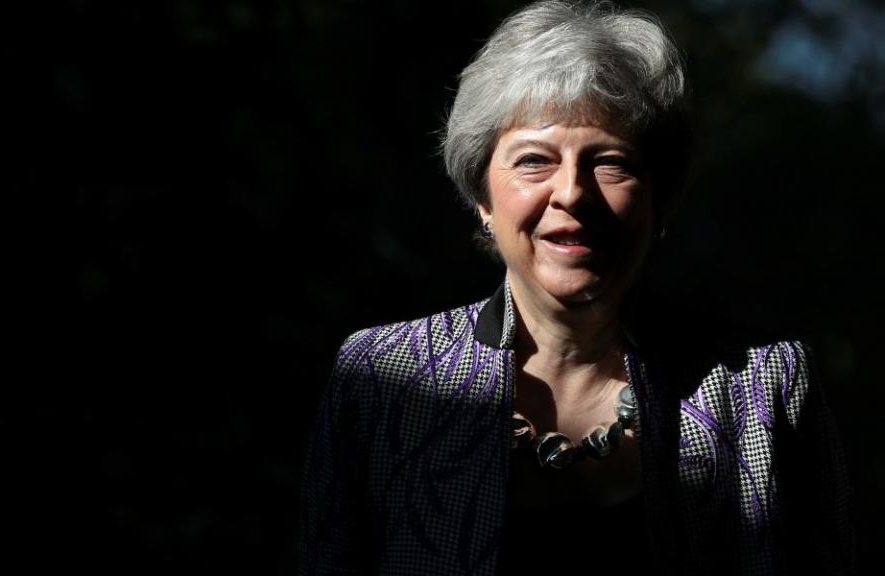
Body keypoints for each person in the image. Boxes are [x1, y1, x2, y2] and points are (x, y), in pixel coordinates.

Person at [300, 1, 855, 575]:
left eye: (610, 162)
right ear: (483, 199)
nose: (572, 193)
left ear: (657, 199)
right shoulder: (381, 377)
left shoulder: (766, 384)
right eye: (534, 160)